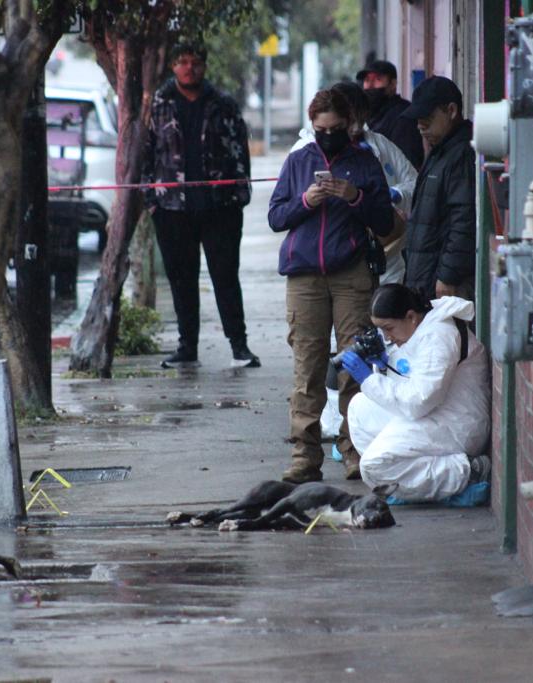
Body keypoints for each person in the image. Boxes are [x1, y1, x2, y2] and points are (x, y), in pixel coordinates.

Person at [268, 88, 394, 483]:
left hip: (351, 271)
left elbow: (386, 222)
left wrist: (354, 196)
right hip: (304, 275)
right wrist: (306, 200)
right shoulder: (298, 161)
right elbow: (276, 216)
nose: (328, 135)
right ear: (312, 127)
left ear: (349, 126)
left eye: (336, 129)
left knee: (354, 366)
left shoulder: (364, 161)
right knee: (308, 366)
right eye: (320, 129)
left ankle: (354, 449)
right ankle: (305, 457)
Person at [141, 43, 259, 369]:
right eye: (182, 62)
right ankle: (186, 346)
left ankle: (239, 346)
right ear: (174, 67)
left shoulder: (223, 104)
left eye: (195, 62)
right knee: (182, 279)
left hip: (220, 208)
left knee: (225, 277)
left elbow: (240, 152)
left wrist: (239, 195)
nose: (189, 68)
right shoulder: (157, 105)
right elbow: (144, 155)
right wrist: (151, 201)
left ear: (204, 65)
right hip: (171, 209)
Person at [342, 284, 490, 502]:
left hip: (458, 424)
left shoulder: (439, 336)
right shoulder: (418, 328)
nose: (387, 337)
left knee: (373, 466)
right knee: (359, 408)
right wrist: (383, 366)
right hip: (435, 412)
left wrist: (369, 380)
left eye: (389, 328)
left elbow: (418, 401)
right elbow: (410, 383)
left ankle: (468, 470)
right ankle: (402, 483)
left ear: (411, 316)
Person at [290, 81, 416, 285]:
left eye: (361, 119)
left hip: (384, 257)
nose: (356, 127)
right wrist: (308, 199)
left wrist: (395, 194)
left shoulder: (378, 145)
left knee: (381, 311)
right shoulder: (303, 152)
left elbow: (414, 182)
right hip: (327, 258)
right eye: (350, 121)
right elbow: (284, 208)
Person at [400, 76, 476, 301]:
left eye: (427, 118)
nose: (420, 126)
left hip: (444, 283)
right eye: (418, 119)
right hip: (426, 278)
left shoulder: (461, 154)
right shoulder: (440, 151)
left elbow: (464, 218)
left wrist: (448, 276)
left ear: (451, 111)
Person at [356, 60, 425, 169]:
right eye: (367, 80)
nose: (370, 85)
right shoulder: (368, 115)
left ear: (392, 84)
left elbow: (408, 165)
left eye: (377, 79)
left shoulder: (404, 116)